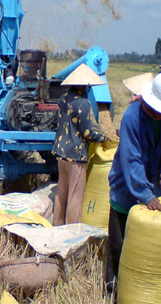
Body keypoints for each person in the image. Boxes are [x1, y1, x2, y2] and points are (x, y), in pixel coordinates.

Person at [105, 72, 161, 298]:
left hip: (154, 189)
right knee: (119, 246)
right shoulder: (132, 116)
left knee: (152, 248)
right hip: (126, 189)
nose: (156, 113)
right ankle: (114, 292)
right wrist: (145, 195)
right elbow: (131, 160)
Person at [51, 63, 108, 226]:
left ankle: (57, 225)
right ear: (83, 85)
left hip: (61, 152)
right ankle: (71, 231)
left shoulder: (63, 99)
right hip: (76, 156)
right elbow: (87, 133)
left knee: (61, 192)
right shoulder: (83, 103)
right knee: (75, 195)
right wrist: (103, 138)